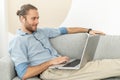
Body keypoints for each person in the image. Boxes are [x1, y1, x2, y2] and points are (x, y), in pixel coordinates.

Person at [9, 4, 105, 80]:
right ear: (22, 19)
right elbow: (24, 74)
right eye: (33, 18)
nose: (37, 21)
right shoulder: (18, 41)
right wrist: (50, 62)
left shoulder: (42, 31)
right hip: (50, 71)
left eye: (38, 18)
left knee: (96, 64)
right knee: (100, 68)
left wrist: (88, 30)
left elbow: (66, 30)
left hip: (62, 65)